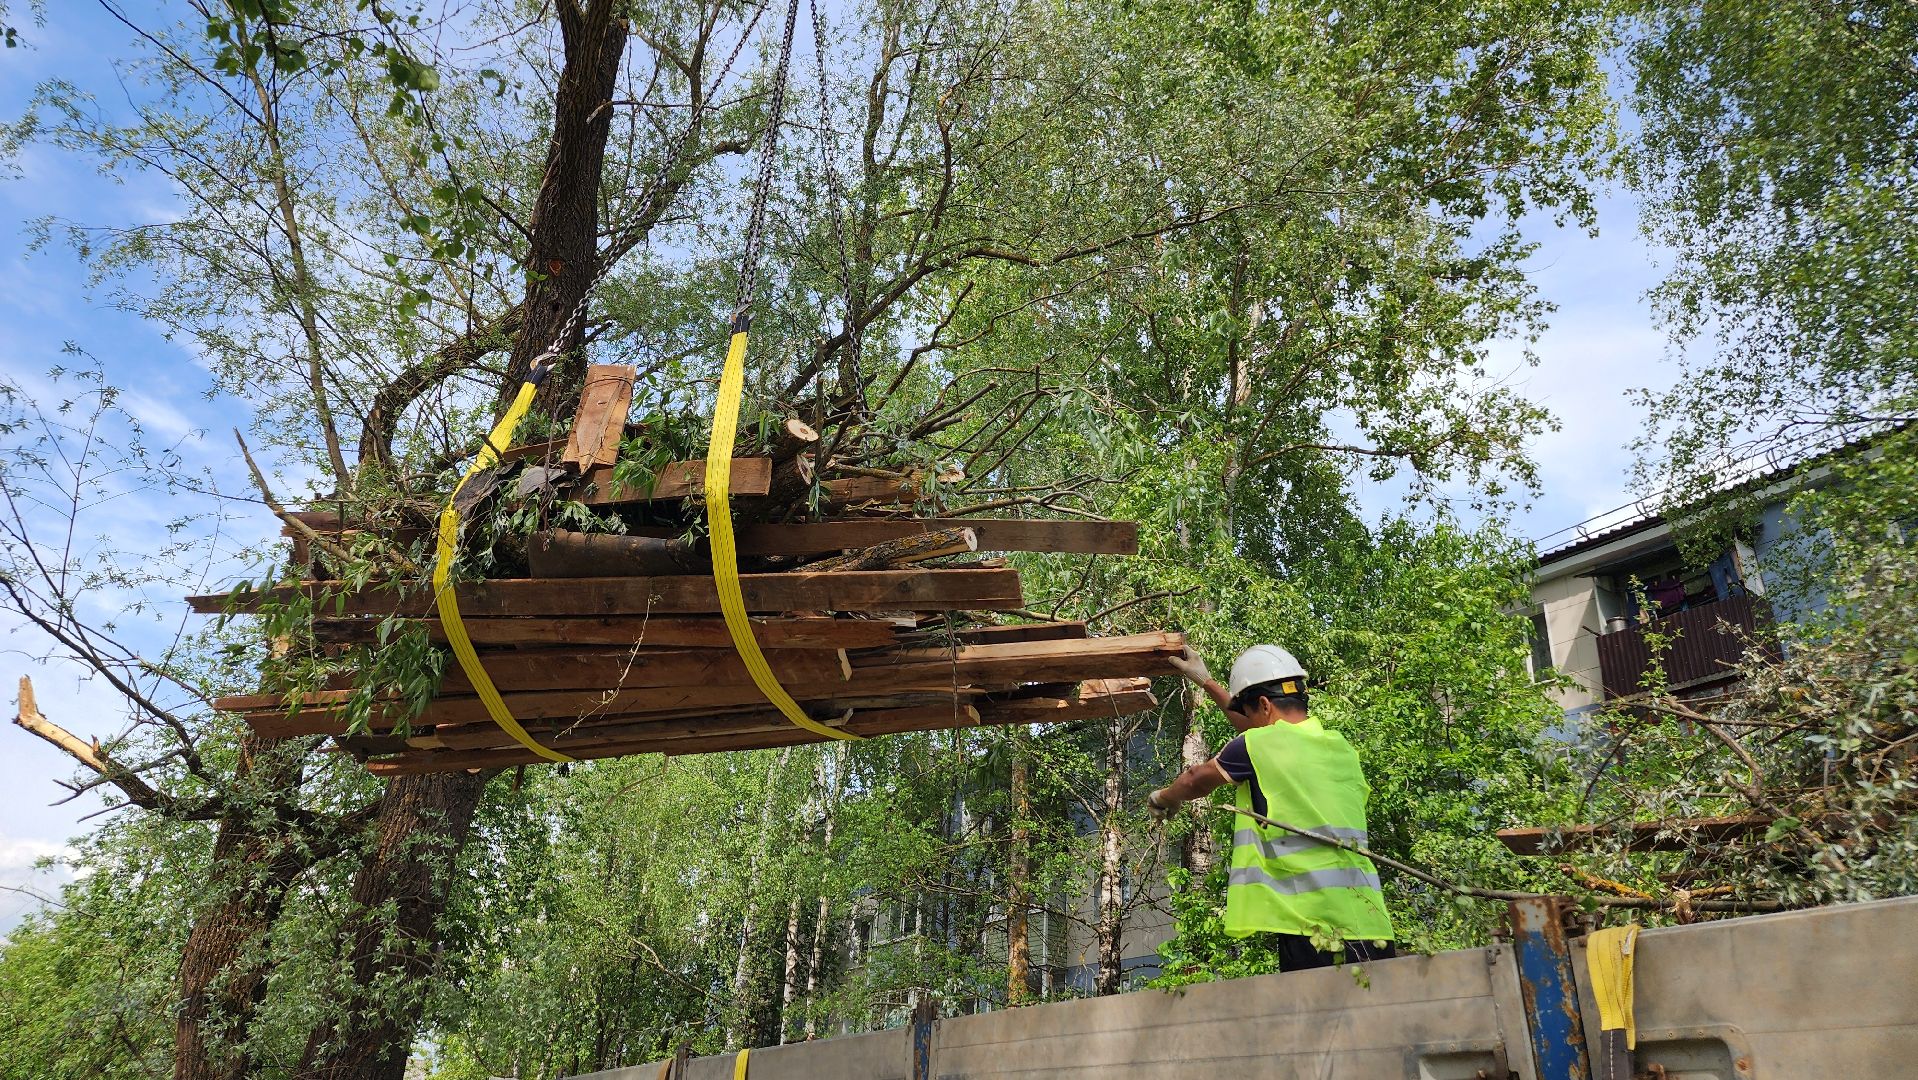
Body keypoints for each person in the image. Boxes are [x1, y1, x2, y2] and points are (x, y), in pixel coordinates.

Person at [1148, 644, 1396, 971]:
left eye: (1250, 712)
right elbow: (1261, 733)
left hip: (1313, 927)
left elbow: (1196, 778)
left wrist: (1164, 798)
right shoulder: (1339, 746)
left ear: (1264, 704)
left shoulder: (1259, 746)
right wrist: (1206, 682)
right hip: (1371, 923)